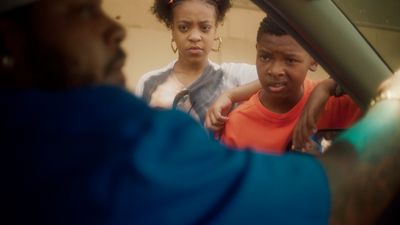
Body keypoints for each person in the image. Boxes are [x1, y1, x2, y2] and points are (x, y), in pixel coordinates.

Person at [3, 1, 400, 225]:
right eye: (82, 11)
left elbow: (269, 83)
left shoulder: (236, 78)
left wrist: (327, 85)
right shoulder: (123, 127)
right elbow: (336, 197)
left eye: (204, 27)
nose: (116, 30)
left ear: (216, 32)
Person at [211, 17, 362, 154]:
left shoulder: (332, 101)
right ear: (256, 52)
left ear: (314, 60)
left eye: (290, 60)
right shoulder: (238, 125)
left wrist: (327, 86)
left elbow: (380, 82)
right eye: (265, 57)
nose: (275, 71)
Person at [135, 0, 258, 123]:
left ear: (216, 28)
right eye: (183, 27)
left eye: (205, 28)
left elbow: (275, 79)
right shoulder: (150, 83)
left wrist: (230, 95)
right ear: (172, 29)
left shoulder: (233, 77)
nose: (194, 37)